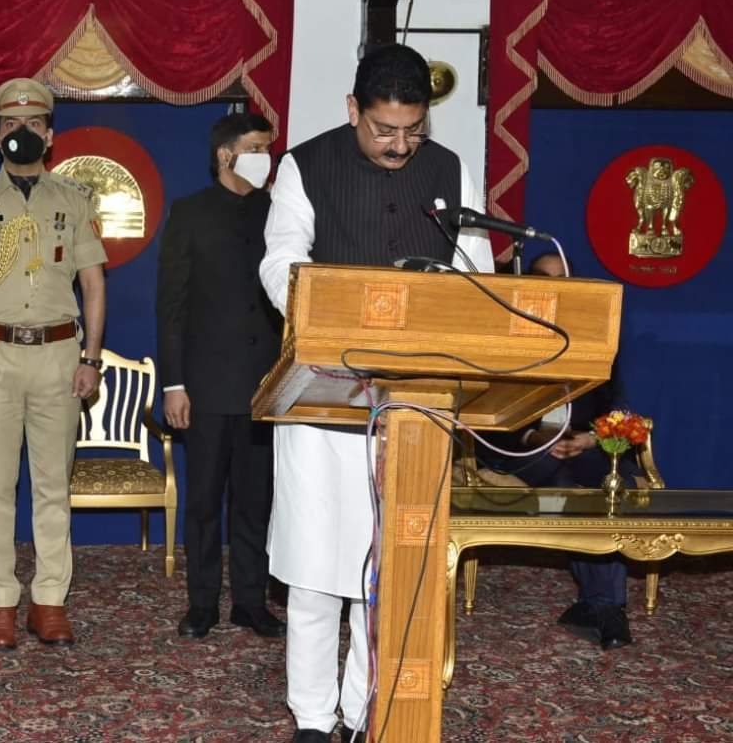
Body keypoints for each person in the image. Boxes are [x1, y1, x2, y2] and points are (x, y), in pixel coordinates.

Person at [258, 44, 494, 743]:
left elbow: (473, 266)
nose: (400, 145)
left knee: (386, 572)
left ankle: (365, 713)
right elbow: (281, 261)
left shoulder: (449, 169)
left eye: (413, 130)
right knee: (311, 569)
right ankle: (310, 717)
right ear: (353, 109)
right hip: (322, 398)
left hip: (413, 405)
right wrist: (330, 319)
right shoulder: (305, 164)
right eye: (385, 129)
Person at [0, 77, 107, 651]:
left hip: (60, 356)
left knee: (52, 485)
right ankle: (2, 603)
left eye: (34, 123)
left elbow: (94, 285)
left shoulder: (75, 201)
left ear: (50, 133)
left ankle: (51, 600)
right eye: (11, 124)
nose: (22, 133)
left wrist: (91, 359)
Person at [156, 112, 285, 640]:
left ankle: (251, 602)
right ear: (226, 154)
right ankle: (202, 603)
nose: (266, 157)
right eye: (256, 147)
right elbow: (172, 305)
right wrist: (174, 384)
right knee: (205, 501)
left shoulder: (280, 214)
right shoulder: (190, 213)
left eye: (268, 147)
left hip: (265, 384)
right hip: (206, 385)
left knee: (256, 502)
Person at [475, 251, 636, 650]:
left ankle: (601, 604)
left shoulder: (594, 343)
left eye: (563, 277)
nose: (555, 285)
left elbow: (611, 410)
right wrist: (534, 438)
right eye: (545, 277)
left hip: (579, 445)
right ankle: (605, 606)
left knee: (614, 484)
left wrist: (591, 439)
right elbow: (487, 422)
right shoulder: (505, 338)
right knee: (566, 483)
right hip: (524, 448)